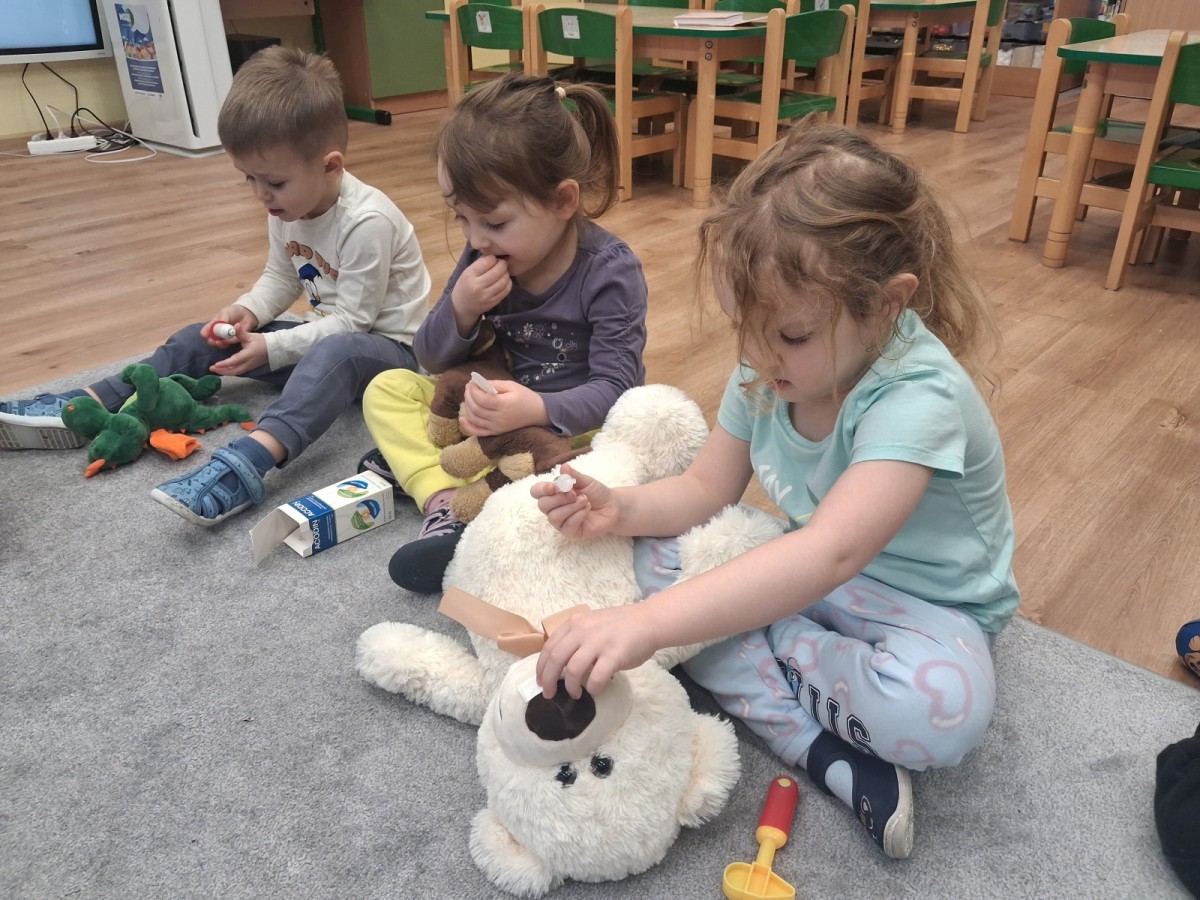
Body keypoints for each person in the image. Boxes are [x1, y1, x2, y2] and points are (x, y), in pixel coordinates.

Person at [530, 123, 1019, 861]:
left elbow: (829, 553)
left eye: (790, 334)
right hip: (810, 577)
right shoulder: (767, 370)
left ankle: (764, 651)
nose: (759, 356)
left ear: (887, 304)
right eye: (744, 328)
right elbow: (705, 489)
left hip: (927, 608)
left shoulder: (920, 396)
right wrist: (621, 509)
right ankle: (816, 747)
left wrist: (657, 625)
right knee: (648, 560)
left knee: (941, 712)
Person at [0, 47, 431, 526]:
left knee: (337, 352)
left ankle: (250, 461)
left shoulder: (367, 222)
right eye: (249, 178)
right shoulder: (286, 205)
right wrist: (248, 312)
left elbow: (353, 324)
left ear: (331, 166)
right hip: (325, 343)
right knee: (198, 337)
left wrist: (272, 347)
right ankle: (92, 400)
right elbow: (280, 276)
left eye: (273, 181)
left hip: (389, 359)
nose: (260, 194)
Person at [359, 73, 647, 594]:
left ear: (563, 201)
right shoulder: (482, 254)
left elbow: (617, 390)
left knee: (625, 449)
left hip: (573, 430)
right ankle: (445, 502)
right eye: (461, 218)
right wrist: (463, 308)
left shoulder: (609, 272)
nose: (475, 239)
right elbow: (430, 357)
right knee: (388, 390)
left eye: (493, 223)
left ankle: (481, 492)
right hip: (495, 417)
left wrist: (535, 408)